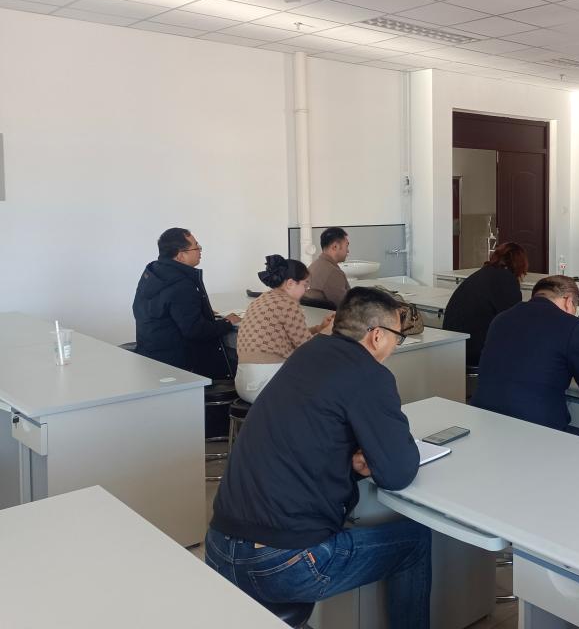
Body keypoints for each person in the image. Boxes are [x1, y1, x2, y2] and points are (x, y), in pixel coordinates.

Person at [206, 287, 431, 627]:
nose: (394, 347)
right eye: (396, 338)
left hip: (219, 546)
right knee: (415, 541)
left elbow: (305, 435)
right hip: (280, 563)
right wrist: (376, 457)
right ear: (376, 336)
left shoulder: (306, 355)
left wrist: (349, 463)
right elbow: (398, 473)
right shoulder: (369, 374)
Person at [473, 275, 579, 439]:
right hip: (537, 433)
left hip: (486, 424)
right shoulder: (573, 327)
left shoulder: (501, 318)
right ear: (568, 301)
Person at [133, 228, 240, 380]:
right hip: (179, 366)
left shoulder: (153, 273)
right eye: (196, 247)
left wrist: (199, 311)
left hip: (151, 356)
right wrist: (227, 322)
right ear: (180, 255)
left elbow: (163, 310)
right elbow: (195, 331)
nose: (200, 251)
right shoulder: (181, 284)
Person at [235, 255, 334, 403]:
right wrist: (329, 330)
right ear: (290, 283)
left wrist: (319, 328)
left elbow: (290, 334)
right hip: (267, 385)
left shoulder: (261, 299)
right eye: (305, 285)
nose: (306, 290)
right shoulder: (288, 303)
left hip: (244, 384)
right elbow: (308, 348)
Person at [442, 242, 528, 366]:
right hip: (474, 351)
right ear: (520, 264)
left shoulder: (481, 274)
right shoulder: (506, 280)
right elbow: (514, 321)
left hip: (453, 345)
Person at [307, 226, 351, 307]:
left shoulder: (314, 266)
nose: (348, 251)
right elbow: (345, 307)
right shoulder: (333, 273)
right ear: (335, 247)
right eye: (346, 246)